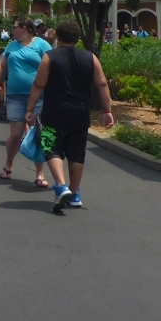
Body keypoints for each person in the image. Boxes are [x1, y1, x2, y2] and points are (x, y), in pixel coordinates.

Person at [26, 20, 114, 211]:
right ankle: (75, 194)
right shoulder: (90, 57)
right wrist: (107, 110)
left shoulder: (50, 57)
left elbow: (38, 84)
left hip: (54, 111)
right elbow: (102, 84)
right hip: (80, 112)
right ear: (77, 37)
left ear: (57, 36)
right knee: (76, 153)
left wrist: (30, 109)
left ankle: (61, 186)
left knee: (51, 147)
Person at [0, 16, 52, 186]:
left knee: (38, 134)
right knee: (16, 135)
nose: (12, 30)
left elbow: (52, 67)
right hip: (15, 96)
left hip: (38, 96)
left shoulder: (42, 45)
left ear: (24, 28)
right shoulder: (12, 46)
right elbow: (2, 66)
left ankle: (40, 173)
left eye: (14, 27)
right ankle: (9, 163)